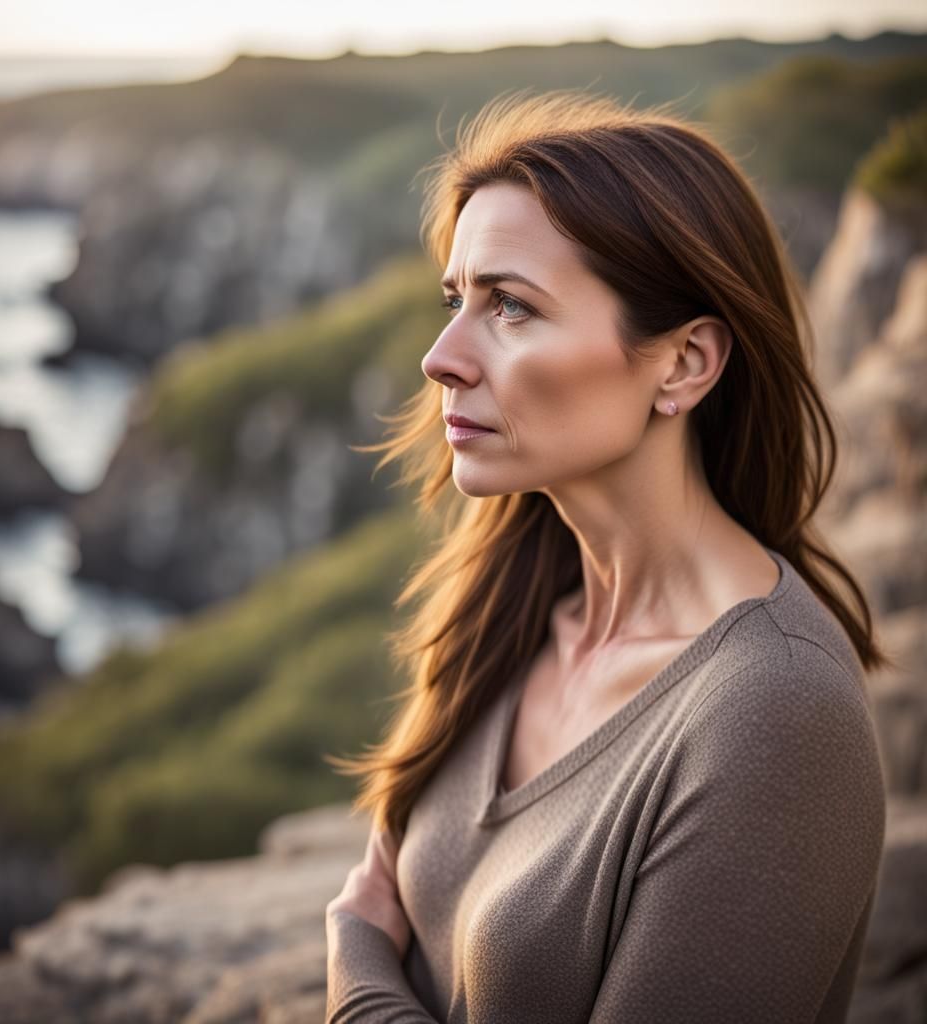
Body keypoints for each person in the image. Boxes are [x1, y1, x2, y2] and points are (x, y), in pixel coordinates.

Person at [323, 86, 894, 1023]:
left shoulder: (777, 715)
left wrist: (355, 963)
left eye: (511, 306)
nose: (440, 356)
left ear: (685, 363)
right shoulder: (508, 612)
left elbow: (373, 917)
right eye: (456, 299)